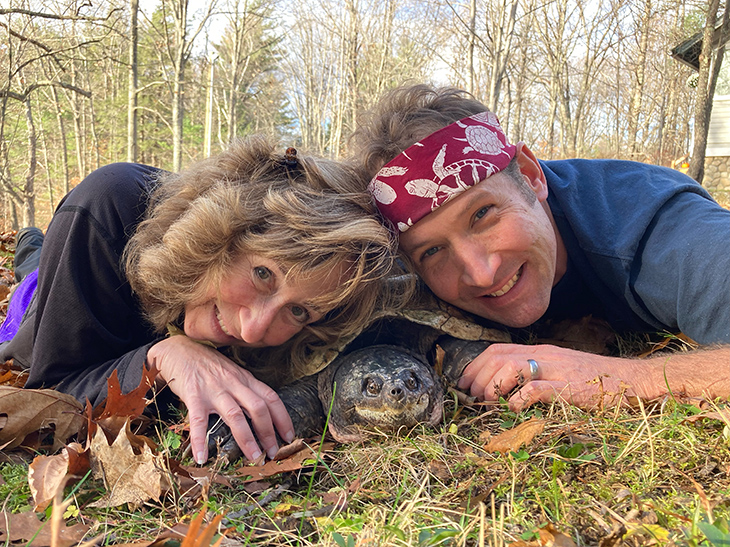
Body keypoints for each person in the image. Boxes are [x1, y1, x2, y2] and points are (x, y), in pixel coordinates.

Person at [0, 136, 399, 464]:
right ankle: (27, 240)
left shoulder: (313, 313)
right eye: (263, 274)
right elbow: (51, 394)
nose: (253, 328)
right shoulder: (107, 208)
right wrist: (158, 357)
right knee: (29, 275)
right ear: (220, 234)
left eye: (298, 311)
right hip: (48, 299)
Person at [350, 84, 730, 412]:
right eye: (432, 252)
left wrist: (627, 379)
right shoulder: (415, 282)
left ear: (531, 177)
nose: (481, 272)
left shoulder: (658, 229)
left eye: (482, 214)